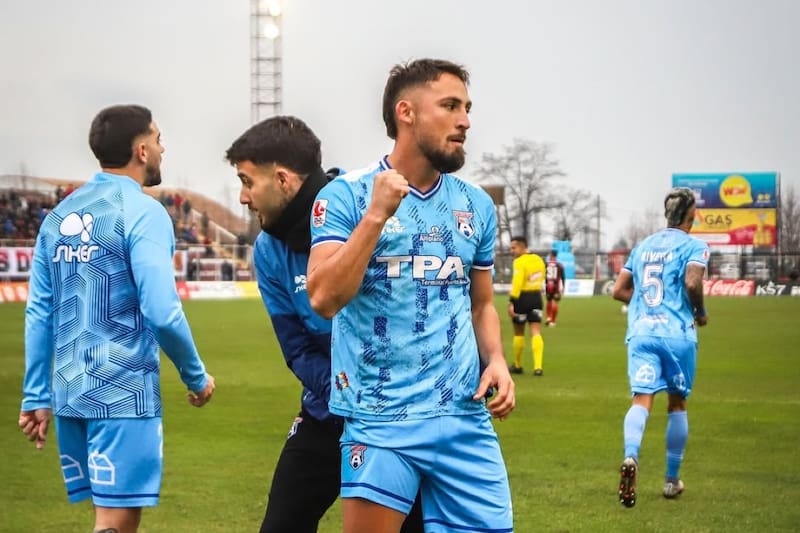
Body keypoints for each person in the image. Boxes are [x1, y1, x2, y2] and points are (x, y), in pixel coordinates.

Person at [306, 58, 515, 533]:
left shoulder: (476, 205)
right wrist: (377, 215)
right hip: (381, 421)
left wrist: (497, 359)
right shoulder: (344, 197)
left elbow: (481, 302)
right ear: (407, 112)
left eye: (467, 107)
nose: (465, 120)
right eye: (449, 105)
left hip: (463, 417)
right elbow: (323, 298)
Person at [18, 104, 216, 533]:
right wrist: (196, 376)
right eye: (159, 139)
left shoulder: (58, 217)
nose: (163, 148)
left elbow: (39, 312)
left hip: (70, 391)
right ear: (141, 150)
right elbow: (162, 312)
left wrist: (35, 395)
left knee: (105, 520)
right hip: (121, 390)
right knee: (115, 523)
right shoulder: (143, 213)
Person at [225, 116, 423, 533]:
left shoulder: (367, 212)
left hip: (396, 422)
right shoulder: (267, 251)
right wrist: (343, 392)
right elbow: (296, 348)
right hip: (324, 414)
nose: (242, 197)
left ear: (282, 179)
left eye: (246, 181)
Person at [611, 187, 710, 508]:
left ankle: (630, 457)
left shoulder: (642, 247)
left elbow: (618, 290)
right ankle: (670, 480)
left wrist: (644, 305)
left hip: (641, 333)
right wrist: (699, 312)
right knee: (677, 404)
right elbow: (693, 282)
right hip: (677, 334)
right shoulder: (694, 245)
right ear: (691, 215)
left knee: (641, 398)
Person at [507, 236, 546, 376]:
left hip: (522, 298)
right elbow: (542, 277)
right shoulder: (539, 260)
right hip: (536, 297)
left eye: (514, 247)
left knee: (519, 332)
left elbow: (517, 282)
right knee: (536, 331)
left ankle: (518, 365)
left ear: (522, 247)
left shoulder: (519, 262)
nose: (512, 251)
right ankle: (538, 367)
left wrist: (511, 301)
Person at [544, 249, 565, 326]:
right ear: (556, 255)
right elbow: (563, 277)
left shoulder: (546, 264)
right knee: (555, 302)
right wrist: (563, 287)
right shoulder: (560, 265)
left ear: (550, 255)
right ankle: (553, 321)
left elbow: (544, 275)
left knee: (549, 301)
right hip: (556, 286)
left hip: (548, 285)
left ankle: (548, 317)